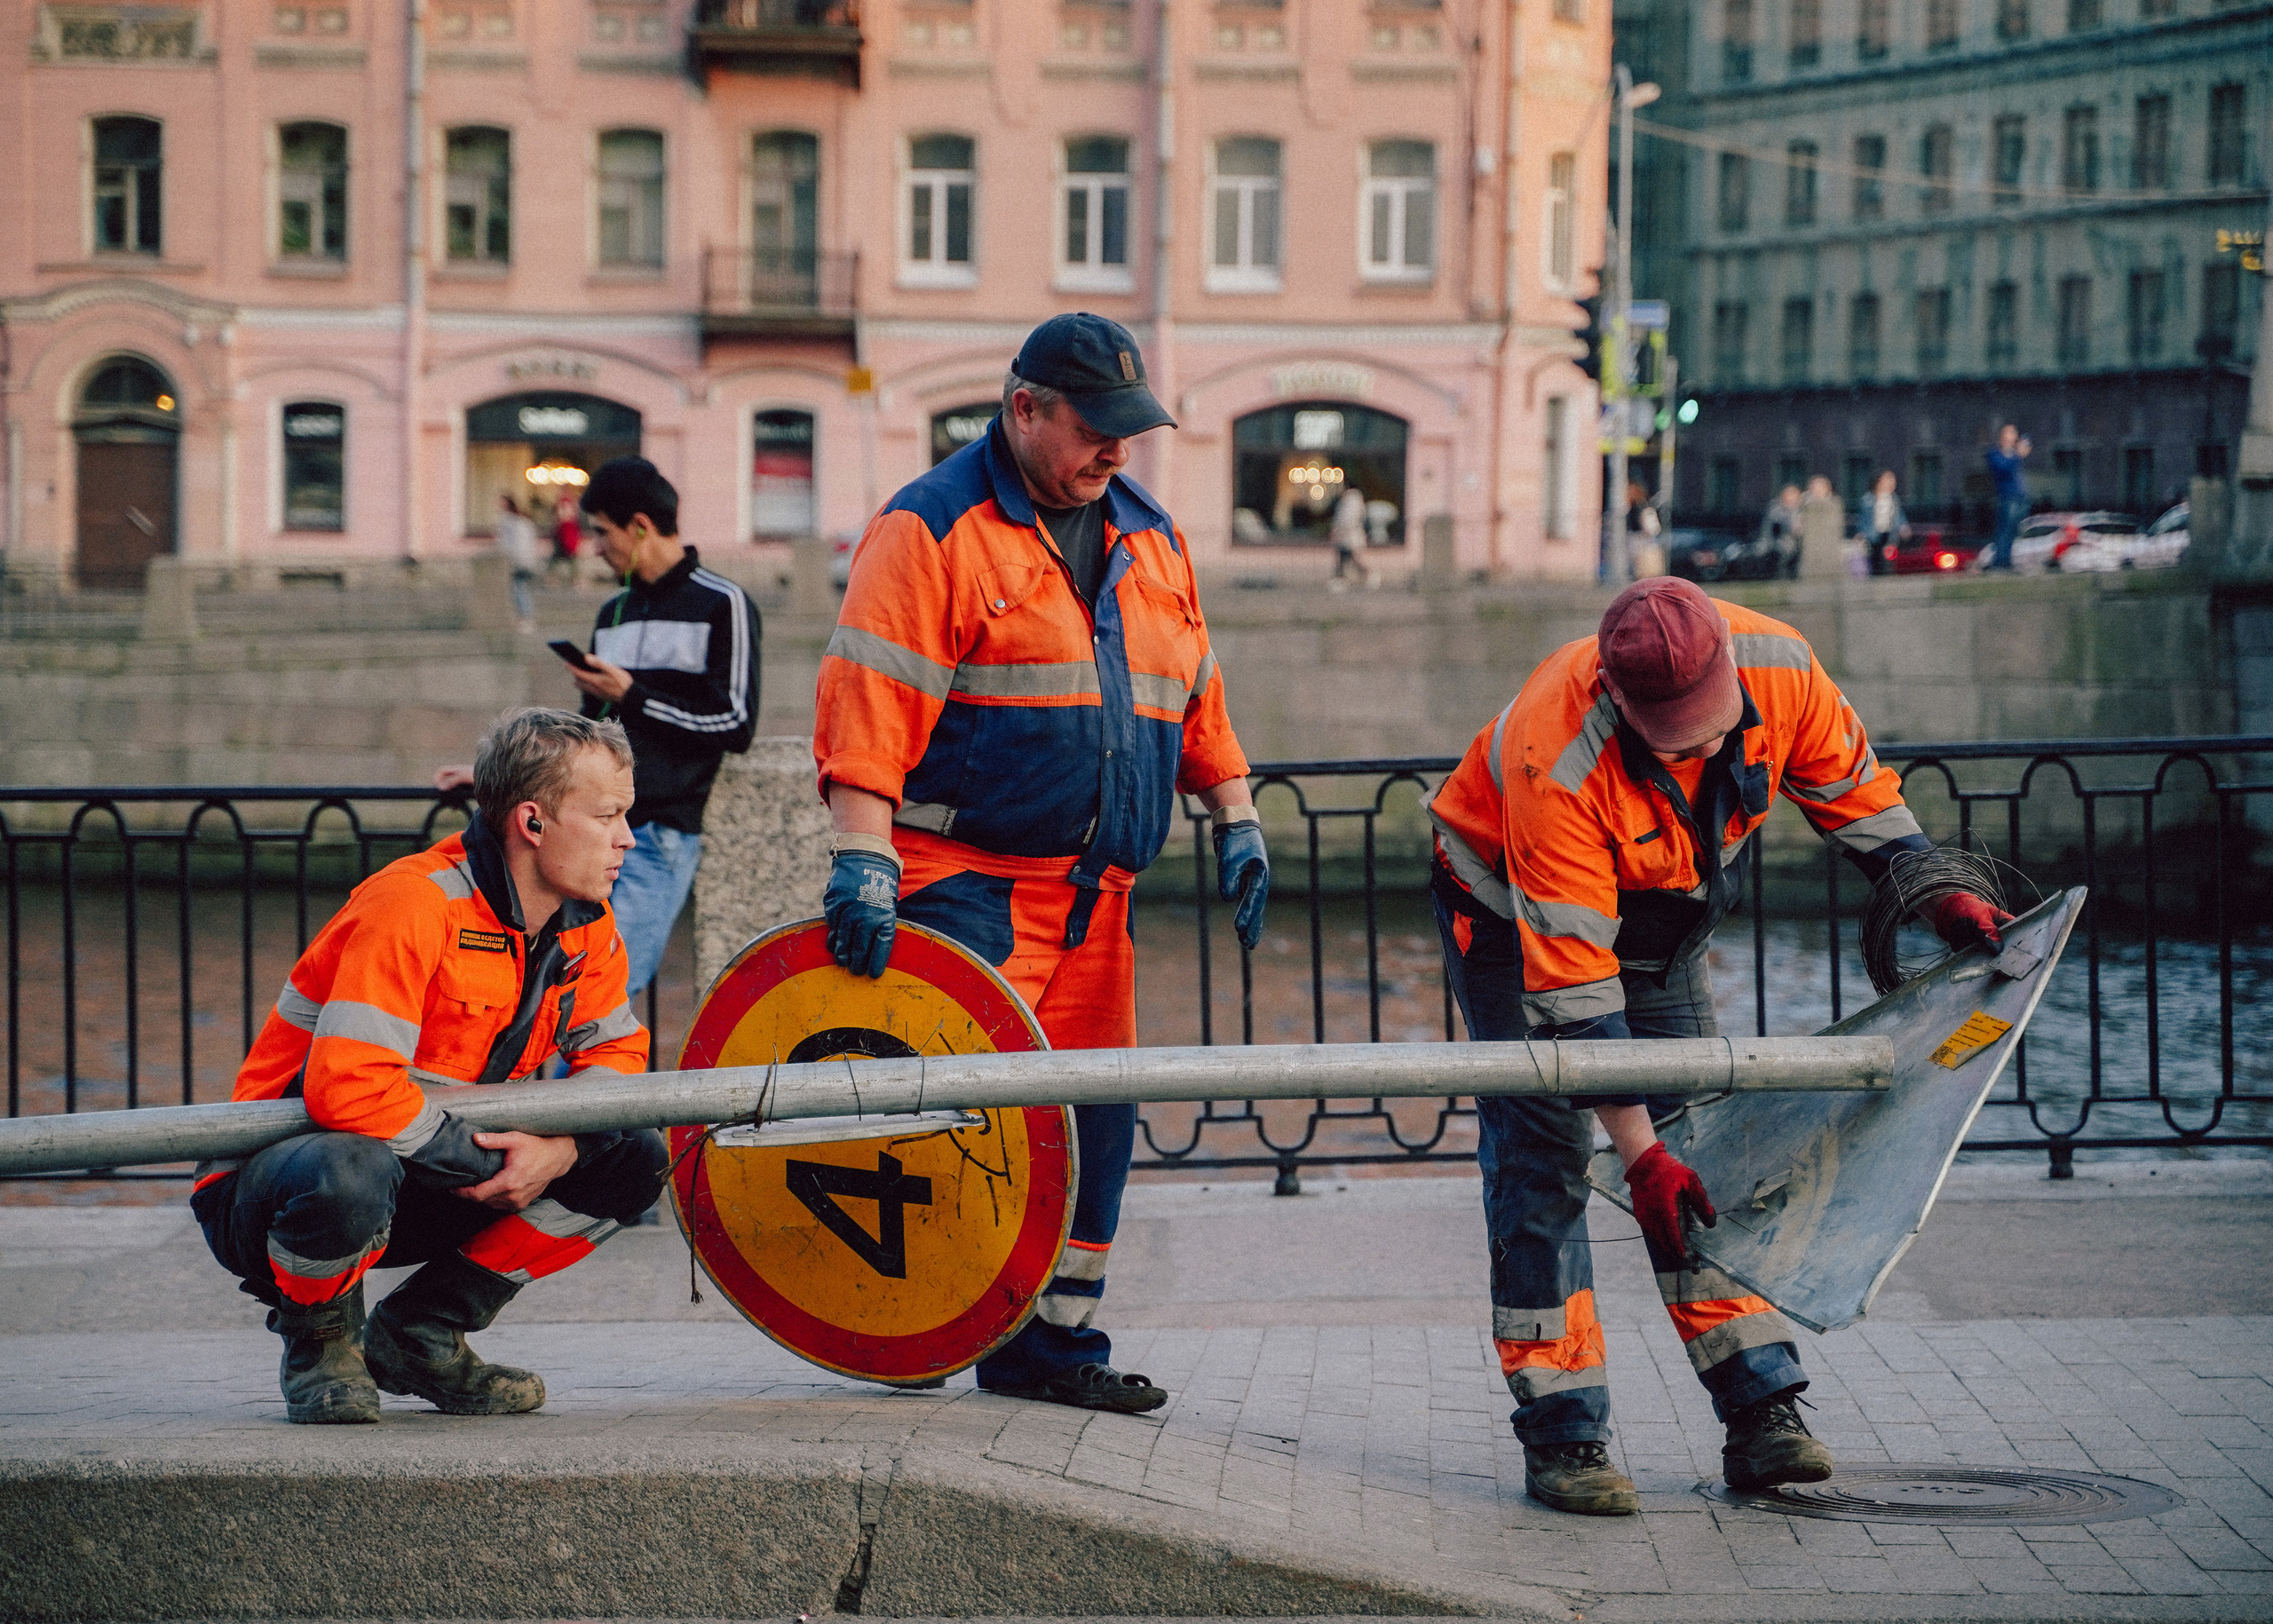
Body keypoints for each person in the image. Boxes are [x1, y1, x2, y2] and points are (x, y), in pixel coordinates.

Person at [1421, 577, 2010, 1516]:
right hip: (1510, 931)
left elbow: (1860, 799)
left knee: (1711, 1158)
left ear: (1728, 667)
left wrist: (1936, 890)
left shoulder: (1779, 664)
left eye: (1706, 730)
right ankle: (1563, 1435)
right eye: (1673, 739)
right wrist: (1641, 1152)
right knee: (1541, 1165)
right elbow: (1577, 1002)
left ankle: (1762, 1409)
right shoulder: (1555, 755)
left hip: (1662, 927)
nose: (1697, 749)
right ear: (1617, 700)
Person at [813, 312, 1270, 1415]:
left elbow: (1190, 689)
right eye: (1094, 427)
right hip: (962, 884)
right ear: (1023, 410)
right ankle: (920, 1321)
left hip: (1095, 899)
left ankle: (1052, 1345)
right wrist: (863, 856)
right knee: (951, 1126)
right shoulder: (929, 529)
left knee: (1092, 1129)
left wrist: (1235, 810)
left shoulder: (1149, 534)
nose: (1117, 449)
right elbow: (868, 706)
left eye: (1131, 429)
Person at [193, 709, 662, 1424]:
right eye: (607, 815)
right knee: (350, 1169)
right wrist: (490, 1161)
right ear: (532, 824)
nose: (628, 836)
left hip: (414, 1167)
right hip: (278, 1189)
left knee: (633, 1155)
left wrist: (557, 1149)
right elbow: (347, 1085)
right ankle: (318, 1342)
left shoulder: (584, 924)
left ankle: (419, 1333)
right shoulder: (412, 903)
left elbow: (621, 1056)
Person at [433, 462, 758, 1002]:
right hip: (584, 832)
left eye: (601, 533)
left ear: (639, 527)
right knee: (543, 993)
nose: (594, 547)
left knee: (597, 997)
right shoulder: (614, 612)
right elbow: (589, 739)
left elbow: (736, 724)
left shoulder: (722, 602)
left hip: (659, 835)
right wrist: (509, 780)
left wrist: (632, 695)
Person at [1984, 424, 2032, 571]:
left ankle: (2007, 559)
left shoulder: (2013, 453)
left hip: (2019, 497)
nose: (2012, 436)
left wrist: (2023, 446)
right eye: (2009, 433)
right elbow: (2003, 468)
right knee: (2004, 529)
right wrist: (2017, 455)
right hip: (2007, 497)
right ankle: (2000, 560)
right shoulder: (1995, 454)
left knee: (2013, 530)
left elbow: (2028, 441)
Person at [495, 494, 541, 631]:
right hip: (529, 560)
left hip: (517, 560)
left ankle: (525, 618)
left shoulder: (507, 521)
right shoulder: (524, 520)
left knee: (518, 589)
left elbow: (504, 543)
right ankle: (527, 617)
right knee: (523, 588)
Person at [1858, 469, 1911, 575]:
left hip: (1889, 533)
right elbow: (1864, 519)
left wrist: (1903, 526)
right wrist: (1861, 534)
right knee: (1874, 558)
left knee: (1888, 559)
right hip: (1873, 534)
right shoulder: (1868, 499)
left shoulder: (1894, 499)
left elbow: (1899, 515)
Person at [1328, 486, 1376, 590]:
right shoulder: (1349, 499)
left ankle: (1369, 574)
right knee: (1343, 558)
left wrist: (1340, 531)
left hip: (1350, 536)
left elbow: (1348, 519)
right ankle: (1341, 579)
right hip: (1346, 536)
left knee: (1353, 558)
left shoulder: (1352, 500)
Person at [1798, 475, 1842, 581]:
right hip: (1811, 545)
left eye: (1820, 487)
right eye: (1814, 487)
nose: (1816, 490)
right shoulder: (1805, 504)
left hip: (1829, 545)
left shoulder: (1834, 503)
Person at [1760, 485, 1802, 576]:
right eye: (1789, 495)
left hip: (1800, 544)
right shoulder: (1776, 510)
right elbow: (1777, 526)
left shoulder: (1803, 510)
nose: (1791, 498)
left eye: (1794, 495)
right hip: (1780, 543)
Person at [547, 496, 583, 585]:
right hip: (565, 545)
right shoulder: (567, 522)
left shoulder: (567, 523)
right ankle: (574, 579)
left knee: (570, 563)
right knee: (570, 563)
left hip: (567, 545)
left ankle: (574, 579)